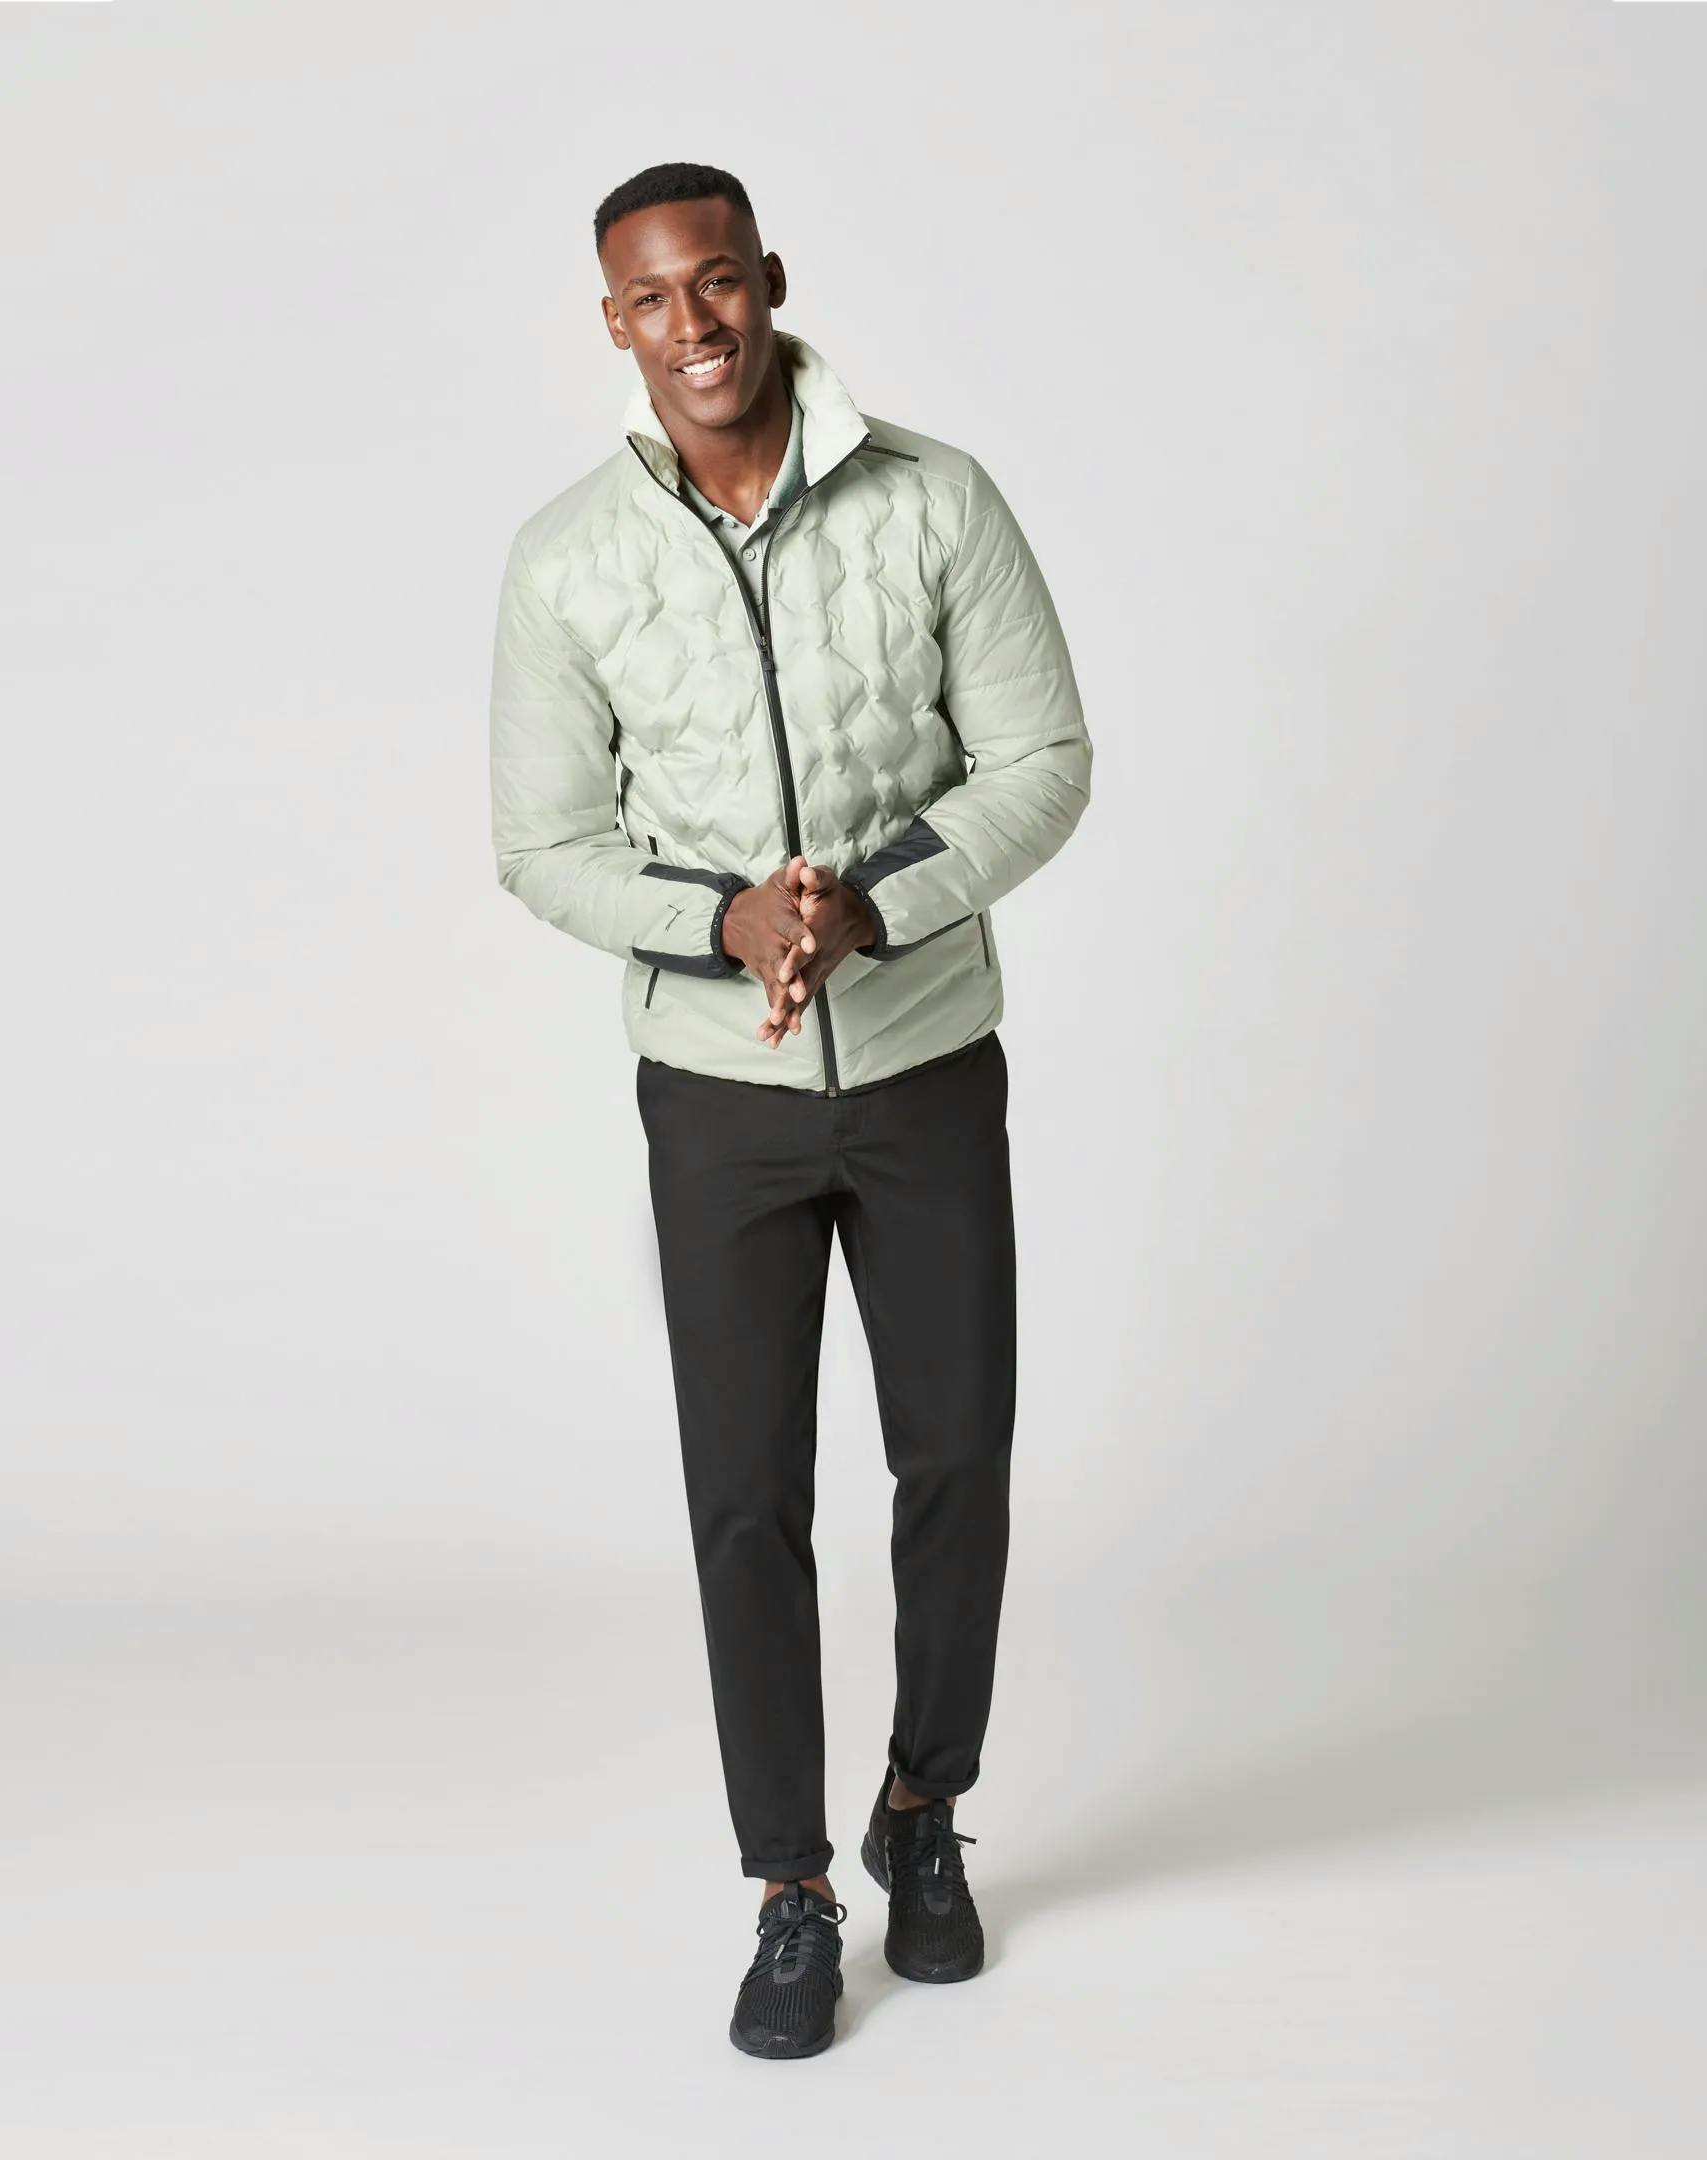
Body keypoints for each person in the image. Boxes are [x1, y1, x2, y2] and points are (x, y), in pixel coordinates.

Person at [486, 160, 1092, 2058]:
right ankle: (790, 1891)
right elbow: (542, 844)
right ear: (616, 324)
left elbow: (1043, 759)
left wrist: (870, 903)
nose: (697, 325)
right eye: (654, 299)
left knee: (958, 1459)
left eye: (720, 282)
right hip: (719, 1105)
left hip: (925, 1069)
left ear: (768, 279)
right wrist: (726, 920)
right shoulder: (568, 561)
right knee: (746, 1498)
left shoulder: (935, 500)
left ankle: (922, 1807)